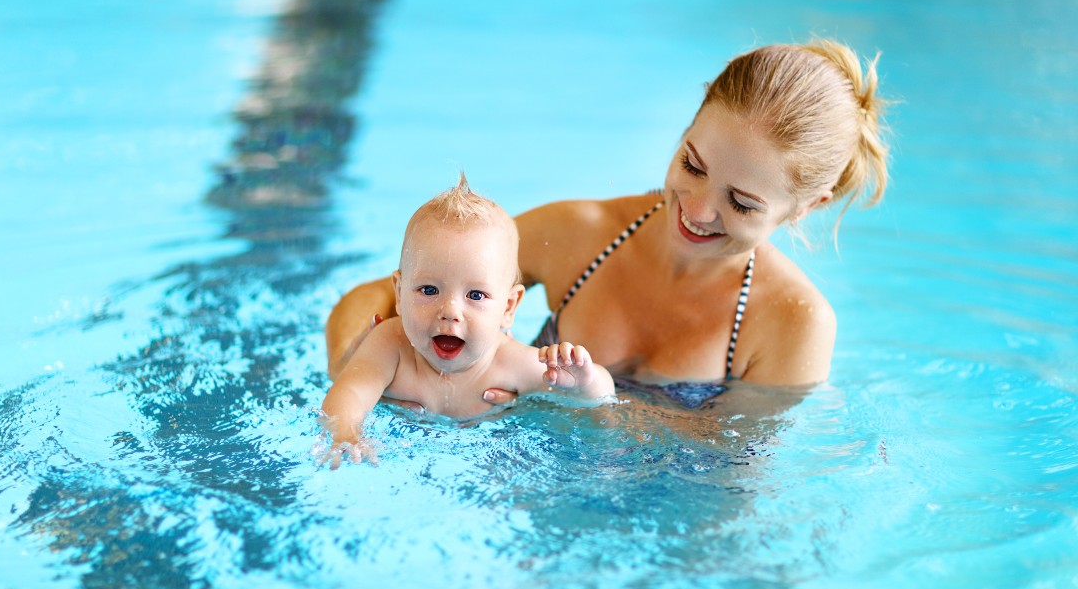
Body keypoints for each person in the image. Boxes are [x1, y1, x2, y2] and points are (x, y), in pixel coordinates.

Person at [326, 40, 890, 399]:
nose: (696, 210)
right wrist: (362, 374)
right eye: (691, 165)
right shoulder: (582, 234)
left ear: (806, 206)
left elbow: (731, 480)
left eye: (741, 204)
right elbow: (376, 297)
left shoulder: (793, 322)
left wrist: (575, 407)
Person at [320, 175, 616, 465]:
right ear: (399, 293)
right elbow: (349, 394)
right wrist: (346, 432)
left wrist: (583, 383)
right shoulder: (390, 344)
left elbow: (602, 398)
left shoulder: (511, 363)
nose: (450, 311)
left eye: (475, 295)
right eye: (429, 290)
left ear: (508, 307)